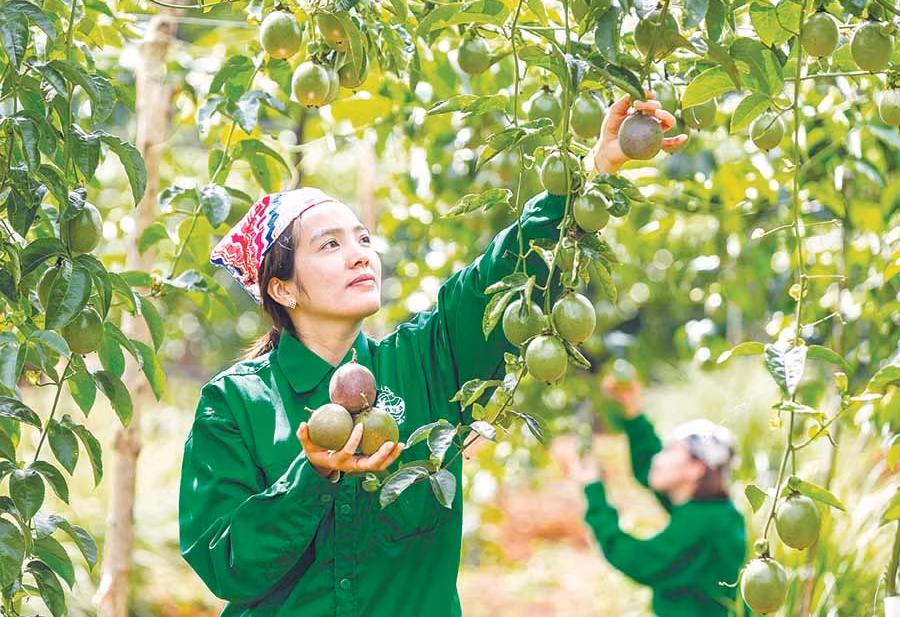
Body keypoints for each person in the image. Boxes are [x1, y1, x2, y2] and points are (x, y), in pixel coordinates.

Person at [177, 93, 686, 616]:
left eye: (363, 238)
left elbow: (501, 271)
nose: (360, 254)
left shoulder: (425, 360)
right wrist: (312, 476)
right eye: (329, 245)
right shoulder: (236, 401)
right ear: (282, 289)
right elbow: (224, 564)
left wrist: (594, 167)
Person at [573, 379, 747, 616]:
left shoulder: (703, 521)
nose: (658, 458)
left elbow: (639, 560)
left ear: (696, 468)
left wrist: (594, 492)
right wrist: (633, 415)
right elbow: (649, 468)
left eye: (670, 450)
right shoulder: (710, 510)